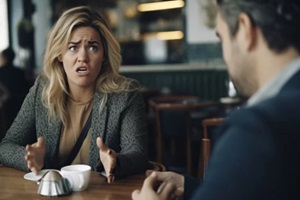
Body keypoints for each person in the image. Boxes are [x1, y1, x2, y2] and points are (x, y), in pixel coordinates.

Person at [132, 0, 300, 199]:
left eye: (222, 39)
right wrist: (190, 185)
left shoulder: (257, 130)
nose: (225, 56)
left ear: (245, 29)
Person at [0, 6, 148, 183]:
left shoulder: (125, 94)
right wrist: (28, 159)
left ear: (104, 55)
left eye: (93, 47)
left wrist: (116, 161)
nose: (83, 57)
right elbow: (6, 146)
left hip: (103, 193)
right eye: (73, 47)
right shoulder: (43, 90)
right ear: (60, 54)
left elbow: (138, 154)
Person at [0, 47, 30, 131]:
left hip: (6, 107)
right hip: (21, 106)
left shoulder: (0, 72)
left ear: (4, 58)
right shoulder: (20, 72)